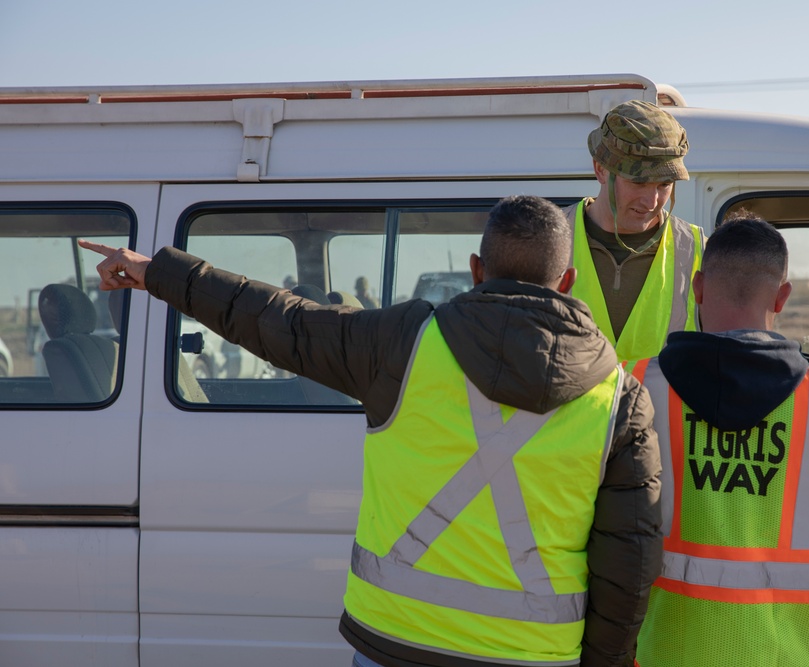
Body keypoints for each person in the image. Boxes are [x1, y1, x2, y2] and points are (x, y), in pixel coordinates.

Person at [79, 195, 662, 667]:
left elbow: (277, 320)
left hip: (396, 640)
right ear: (566, 281)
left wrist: (156, 272)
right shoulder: (621, 402)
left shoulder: (402, 343)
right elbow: (629, 562)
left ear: (476, 270)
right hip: (532, 655)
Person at [633, 211, 809, 667]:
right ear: (784, 296)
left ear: (697, 287)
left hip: (670, 652)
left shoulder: (639, 390)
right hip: (797, 656)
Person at [565, 100, 705, 374]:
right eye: (639, 182)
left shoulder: (699, 251)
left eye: (664, 184)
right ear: (600, 169)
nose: (652, 200)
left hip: (660, 418)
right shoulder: (547, 238)